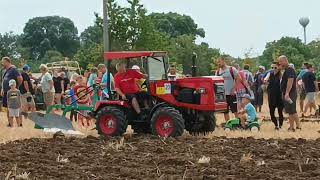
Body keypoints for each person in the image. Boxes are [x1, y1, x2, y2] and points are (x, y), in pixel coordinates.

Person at [278, 55, 300, 132]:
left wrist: (287, 93)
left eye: (280, 61)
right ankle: (294, 127)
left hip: (290, 93)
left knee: (292, 111)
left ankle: (295, 127)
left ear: (285, 60)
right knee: (291, 111)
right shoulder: (286, 70)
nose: (279, 63)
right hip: (288, 93)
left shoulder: (290, 70)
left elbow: (290, 81)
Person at [215, 56, 240, 121]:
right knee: (225, 111)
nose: (218, 63)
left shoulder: (231, 69)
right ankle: (228, 124)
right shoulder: (217, 72)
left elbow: (239, 79)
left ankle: (239, 124)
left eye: (219, 62)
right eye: (217, 62)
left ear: (223, 61)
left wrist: (234, 89)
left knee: (235, 110)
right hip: (222, 95)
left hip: (231, 94)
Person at [1, 57, 22, 124]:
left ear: (7, 62)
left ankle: (19, 124)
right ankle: (10, 123)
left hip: (12, 92)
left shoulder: (14, 69)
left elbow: (20, 79)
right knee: (8, 107)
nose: (2, 63)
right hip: (6, 92)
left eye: (3, 62)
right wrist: (2, 89)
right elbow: (4, 81)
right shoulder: (6, 71)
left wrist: (16, 87)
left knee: (16, 107)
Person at [265, 62, 284, 130]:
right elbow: (265, 80)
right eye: (272, 67)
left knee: (280, 112)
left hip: (279, 96)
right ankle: (276, 124)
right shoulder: (270, 73)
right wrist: (265, 81)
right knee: (271, 113)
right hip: (271, 96)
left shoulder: (281, 75)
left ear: (278, 67)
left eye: (275, 67)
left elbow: (282, 84)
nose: (273, 69)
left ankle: (280, 125)